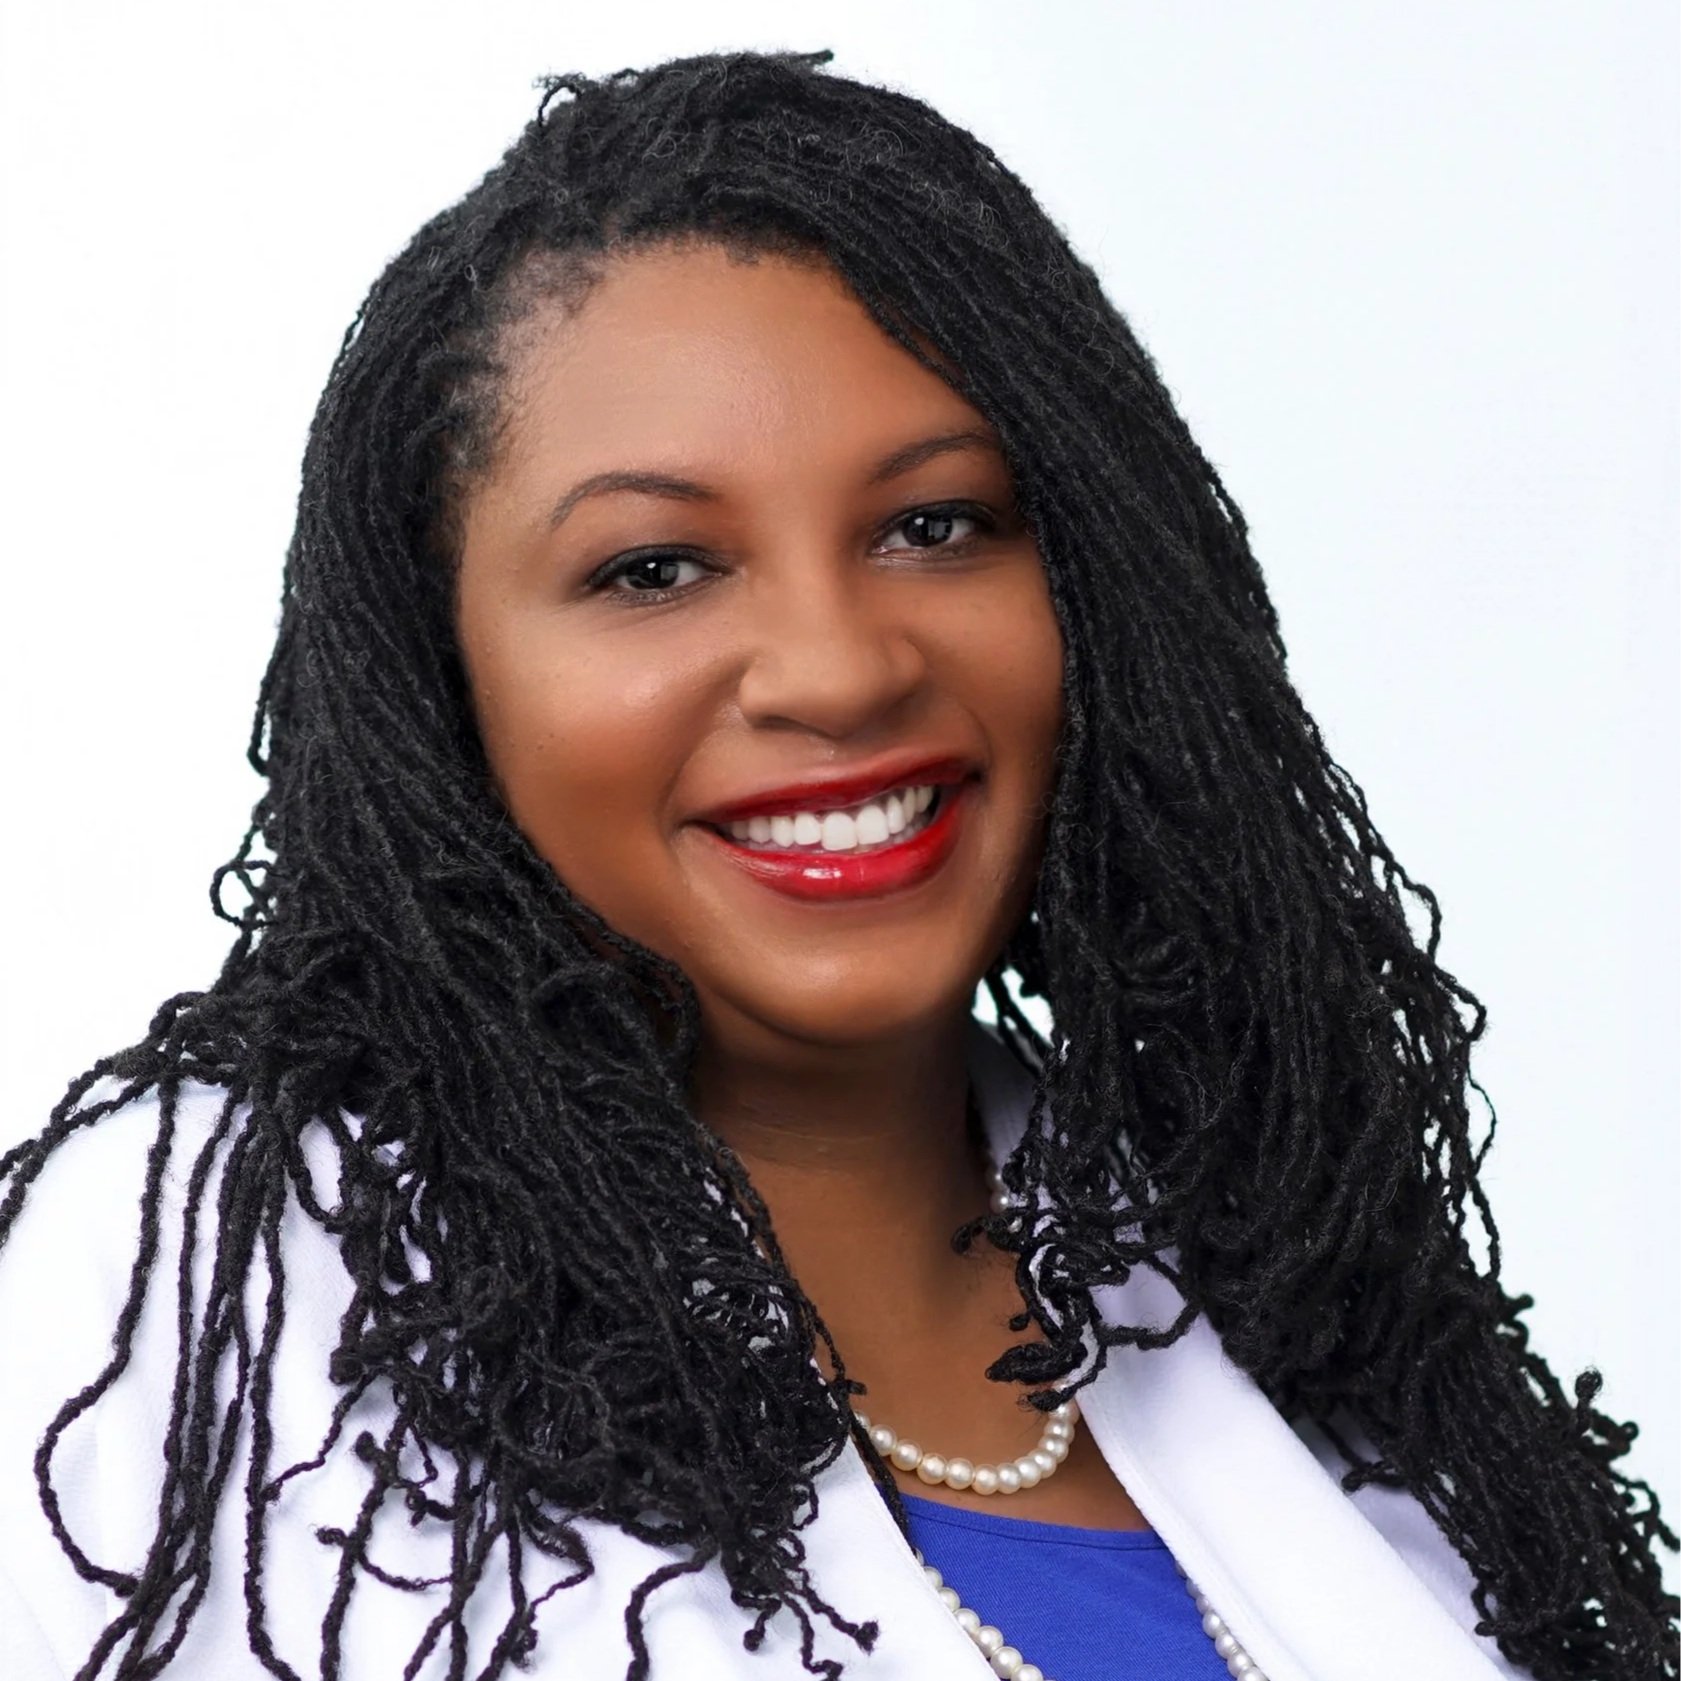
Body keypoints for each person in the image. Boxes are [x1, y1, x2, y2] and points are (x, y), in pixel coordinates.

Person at [0, 45, 1673, 1681]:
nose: (838, 665)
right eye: (655, 567)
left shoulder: (1304, 1333)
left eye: (932, 524)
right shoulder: (165, 1324)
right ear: (443, 688)